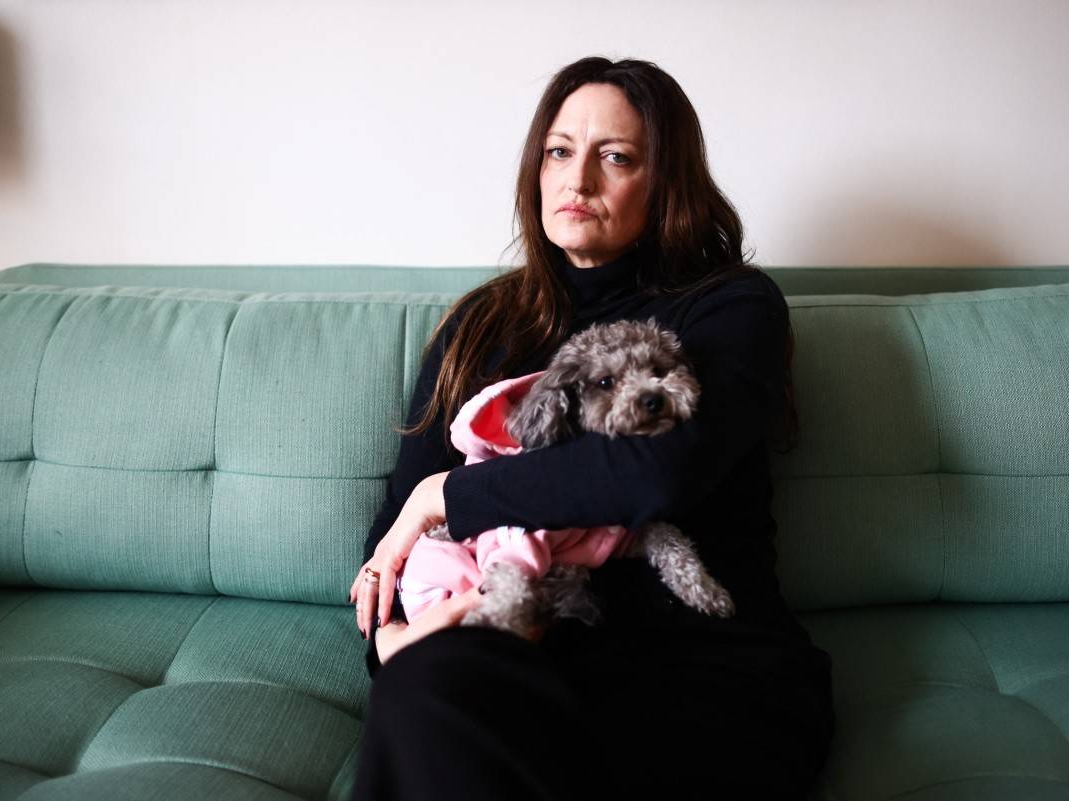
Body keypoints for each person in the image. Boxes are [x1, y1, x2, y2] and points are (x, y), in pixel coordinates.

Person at [348, 56, 835, 801]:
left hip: (702, 665)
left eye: (615, 156)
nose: (577, 181)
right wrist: (389, 644)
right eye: (559, 151)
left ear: (664, 182)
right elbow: (391, 543)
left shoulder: (731, 308)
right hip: (523, 657)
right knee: (420, 692)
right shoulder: (479, 330)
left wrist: (448, 491)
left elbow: (657, 471)